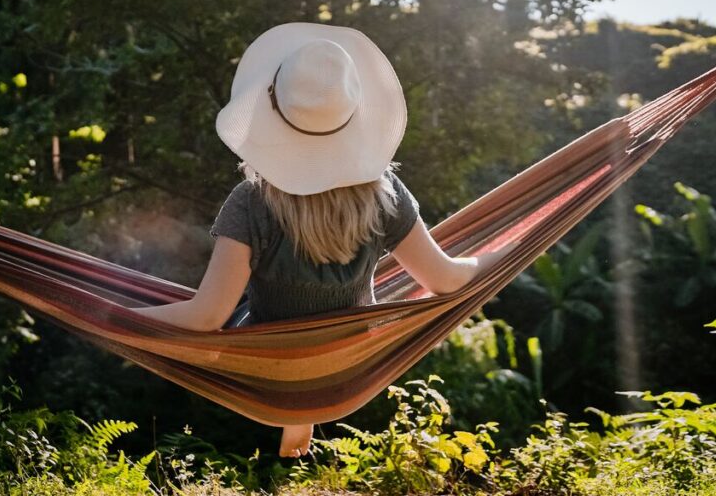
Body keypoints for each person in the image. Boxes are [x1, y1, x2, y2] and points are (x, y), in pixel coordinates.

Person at [137, 23, 512, 457]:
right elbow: (446, 279)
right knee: (320, 321)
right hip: (349, 361)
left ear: (271, 110)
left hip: (269, 364)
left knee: (258, 313)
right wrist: (500, 257)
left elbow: (207, 316)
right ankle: (301, 417)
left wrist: (124, 317)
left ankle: (297, 410)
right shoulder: (384, 195)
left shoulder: (251, 203)